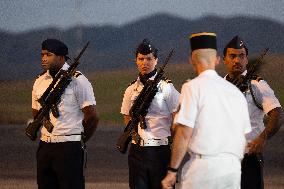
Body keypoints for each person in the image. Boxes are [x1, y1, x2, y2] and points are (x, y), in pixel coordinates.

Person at [162, 32, 252, 189]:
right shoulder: (236, 92)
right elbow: (245, 136)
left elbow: (184, 133)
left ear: (191, 60)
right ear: (217, 60)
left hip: (204, 169)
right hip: (232, 169)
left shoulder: (192, 87)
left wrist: (172, 171)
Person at [32, 38, 99, 189]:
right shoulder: (39, 81)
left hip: (69, 147)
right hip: (45, 146)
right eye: (42, 54)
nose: (43, 58)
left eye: (48, 54)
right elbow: (36, 113)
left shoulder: (78, 80)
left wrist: (80, 139)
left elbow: (92, 116)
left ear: (61, 57)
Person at [223, 35, 283, 189]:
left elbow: (277, 114)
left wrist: (262, 138)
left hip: (248, 158)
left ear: (247, 60)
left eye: (241, 56)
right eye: (232, 56)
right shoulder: (218, 86)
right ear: (225, 59)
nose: (237, 60)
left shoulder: (257, 84)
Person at [120, 39, 180, 189]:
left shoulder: (166, 87)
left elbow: (177, 117)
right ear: (136, 61)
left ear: (156, 61)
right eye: (141, 59)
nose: (144, 63)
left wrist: (169, 139)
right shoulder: (131, 89)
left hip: (160, 150)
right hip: (137, 151)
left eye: (149, 59)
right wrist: (133, 134)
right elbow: (127, 116)